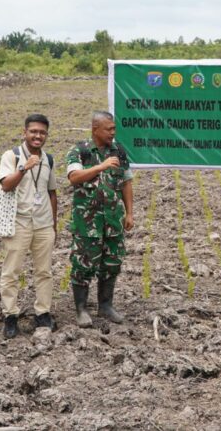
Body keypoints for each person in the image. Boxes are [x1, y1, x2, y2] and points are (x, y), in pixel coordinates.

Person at [66, 111, 133, 328]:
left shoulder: (118, 151)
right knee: (83, 265)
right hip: (88, 223)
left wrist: (129, 213)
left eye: (114, 128)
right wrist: (100, 167)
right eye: (109, 129)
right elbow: (74, 177)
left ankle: (105, 306)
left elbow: (126, 182)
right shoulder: (80, 151)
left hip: (113, 221)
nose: (113, 133)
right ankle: (81, 309)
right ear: (95, 129)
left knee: (112, 263)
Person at [0, 114, 59, 339]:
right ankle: (10, 315)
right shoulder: (11, 156)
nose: (37, 136)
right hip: (18, 223)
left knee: (44, 272)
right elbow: (6, 185)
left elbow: (52, 193)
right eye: (33, 131)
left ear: (46, 136)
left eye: (42, 133)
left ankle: (43, 312)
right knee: (11, 272)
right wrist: (24, 168)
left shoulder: (49, 159)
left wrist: (54, 224)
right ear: (24, 133)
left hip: (43, 224)